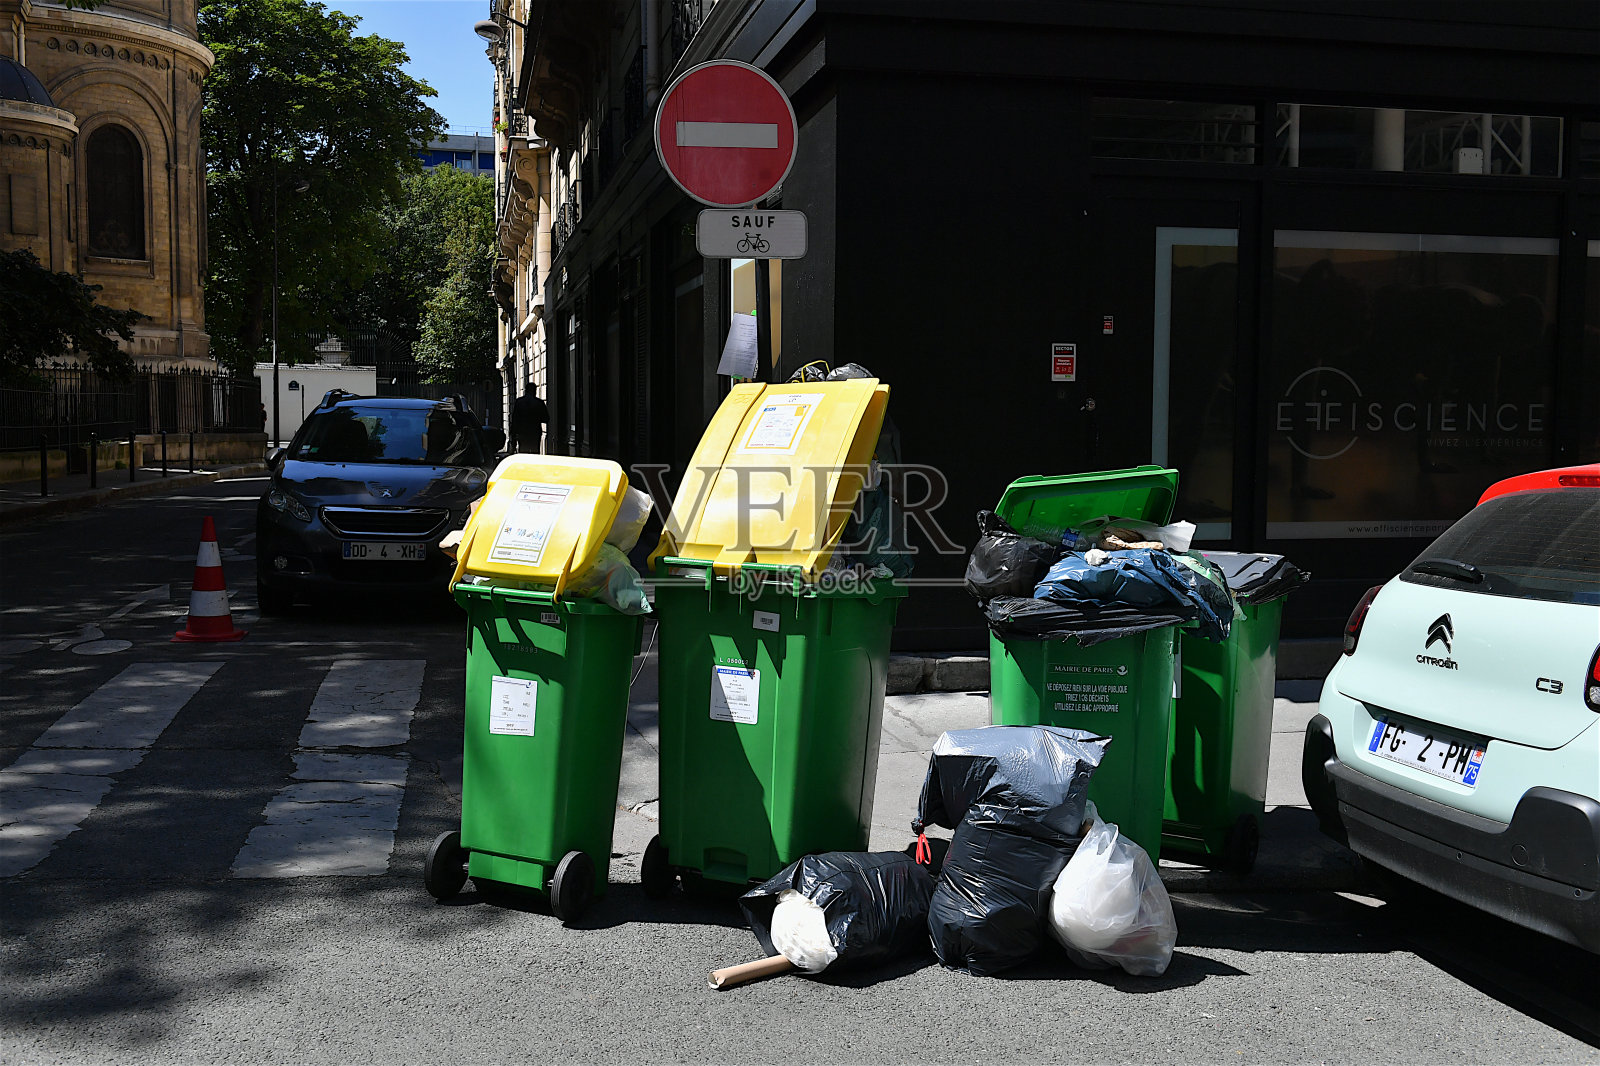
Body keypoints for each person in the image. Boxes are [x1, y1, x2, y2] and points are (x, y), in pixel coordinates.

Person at [509, 389, 548, 454]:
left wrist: (513, 436)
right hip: (535, 433)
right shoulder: (539, 402)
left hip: (522, 433)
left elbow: (515, 420)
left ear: (525, 391)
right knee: (535, 453)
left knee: (523, 453)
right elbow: (546, 418)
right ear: (535, 391)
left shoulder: (519, 402)